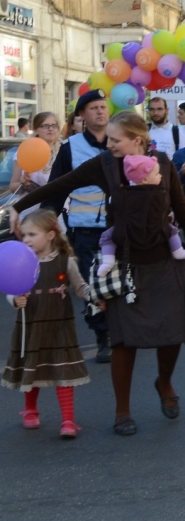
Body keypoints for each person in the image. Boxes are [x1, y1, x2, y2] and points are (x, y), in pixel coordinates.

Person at [11, 111, 185, 436]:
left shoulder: (163, 163)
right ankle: (122, 410)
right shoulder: (105, 164)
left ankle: (164, 382)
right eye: (110, 139)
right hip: (124, 265)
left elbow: (183, 208)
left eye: (117, 140)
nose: (110, 144)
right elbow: (60, 185)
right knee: (123, 341)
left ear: (138, 140)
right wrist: (19, 208)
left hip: (164, 263)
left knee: (173, 331)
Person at [2, 210, 92, 439]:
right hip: (32, 324)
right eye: (24, 235)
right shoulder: (22, 260)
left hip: (60, 326)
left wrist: (97, 298)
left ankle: (68, 419)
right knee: (33, 367)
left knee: (64, 370)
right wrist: (15, 299)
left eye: (32, 234)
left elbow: (81, 288)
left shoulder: (65, 261)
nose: (26, 240)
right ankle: (30, 410)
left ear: (51, 235)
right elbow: (11, 288)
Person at [41, 90, 112, 362]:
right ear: (81, 115)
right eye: (93, 108)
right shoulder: (71, 147)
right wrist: (46, 219)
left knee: (122, 282)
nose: (100, 112)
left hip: (119, 228)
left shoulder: (120, 139)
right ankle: (102, 337)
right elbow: (57, 189)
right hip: (85, 231)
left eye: (103, 107)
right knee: (91, 286)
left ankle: (122, 330)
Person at [98, 156, 185, 273]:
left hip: (126, 228)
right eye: (157, 174)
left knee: (106, 237)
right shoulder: (158, 193)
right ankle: (178, 251)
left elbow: (115, 205)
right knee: (172, 230)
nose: (161, 176)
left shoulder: (124, 192)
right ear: (145, 179)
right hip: (154, 230)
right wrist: (167, 216)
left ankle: (108, 259)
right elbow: (160, 211)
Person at [9, 112, 61, 194]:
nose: (50, 129)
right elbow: (12, 187)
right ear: (36, 130)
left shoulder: (64, 151)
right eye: (45, 126)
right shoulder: (25, 150)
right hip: (29, 204)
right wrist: (22, 183)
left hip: (56, 205)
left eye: (54, 126)